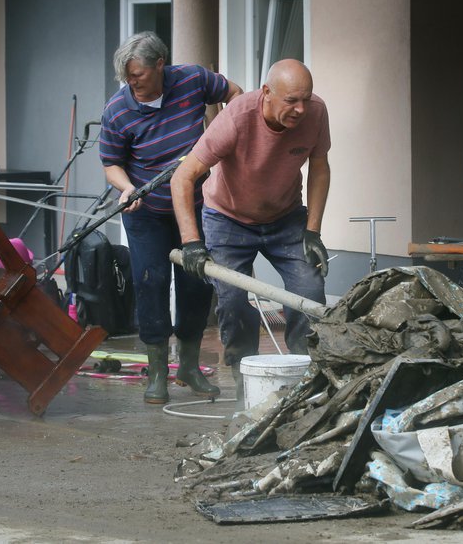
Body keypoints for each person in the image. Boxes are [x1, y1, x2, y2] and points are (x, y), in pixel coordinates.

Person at [170, 59, 331, 404]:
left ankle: (307, 380)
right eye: (291, 101)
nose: (300, 109)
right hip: (228, 218)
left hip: (286, 217)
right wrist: (192, 243)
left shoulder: (315, 113)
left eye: (306, 98)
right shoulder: (237, 118)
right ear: (267, 94)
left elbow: (319, 167)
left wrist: (313, 231)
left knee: (309, 292)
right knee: (231, 303)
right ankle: (247, 384)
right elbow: (183, 177)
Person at [99, 31, 243, 404]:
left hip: (196, 207)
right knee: (151, 282)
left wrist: (226, 139)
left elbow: (235, 95)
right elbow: (111, 163)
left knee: (197, 283)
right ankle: (157, 373)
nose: (132, 84)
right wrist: (126, 188)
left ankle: (190, 368)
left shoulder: (193, 79)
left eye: (138, 76)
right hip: (146, 212)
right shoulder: (117, 110)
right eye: (127, 78)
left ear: (160, 65)